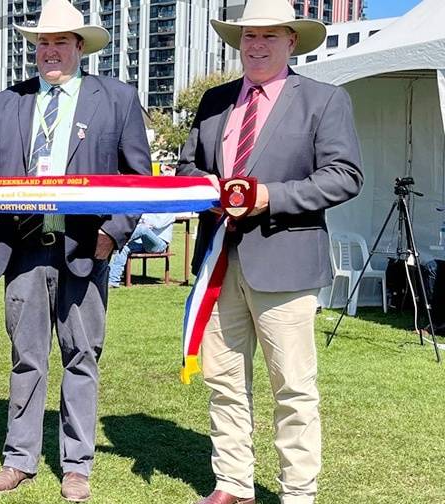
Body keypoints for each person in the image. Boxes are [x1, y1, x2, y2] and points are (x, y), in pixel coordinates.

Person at [176, 1, 363, 503]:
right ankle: (233, 484)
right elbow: (186, 167)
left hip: (286, 263)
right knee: (224, 380)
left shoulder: (325, 100)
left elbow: (345, 176)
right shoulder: (215, 100)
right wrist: (207, 187)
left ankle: (298, 493)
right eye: (248, 36)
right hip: (218, 261)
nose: (255, 45)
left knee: (294, 391)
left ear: (292, 41)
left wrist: (270, 197)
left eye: (268, 36)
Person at [0, 0, 151, 501]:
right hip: (23, 245)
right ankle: (19, 459)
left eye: (60, 42)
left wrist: (112, 234)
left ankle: (76, 464)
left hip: (84, 249)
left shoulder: (117, 98)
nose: (50, 51)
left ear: (80, 47)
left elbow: (140, 179)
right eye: (43, 43)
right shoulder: (10, 101)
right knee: (26, 357)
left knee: (81, 355)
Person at [107, 212, 175, 288]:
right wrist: (144, 220)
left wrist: (145, 220)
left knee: (142, 229)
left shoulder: (169, 212)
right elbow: (141, 220)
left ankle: (118, 239)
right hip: (142, 242)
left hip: (159, 244)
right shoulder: (152, 209)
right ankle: (113, 281)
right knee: (124, 247)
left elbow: (157, 224)